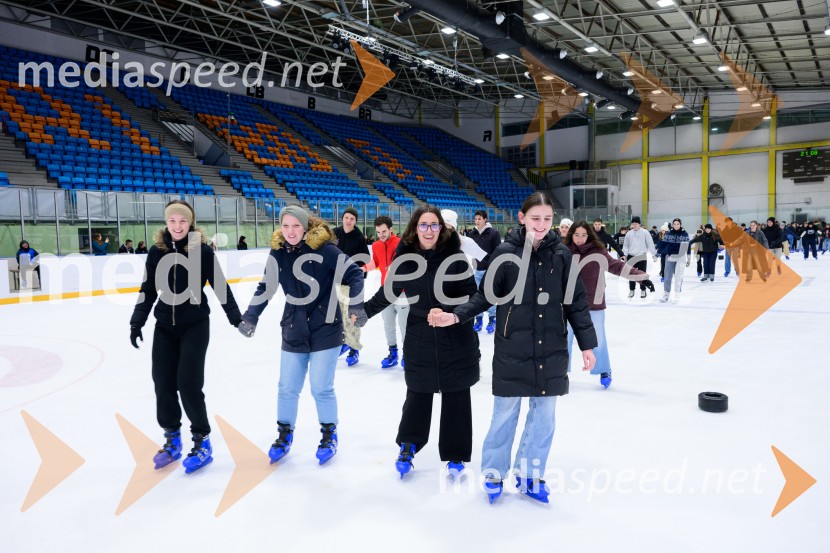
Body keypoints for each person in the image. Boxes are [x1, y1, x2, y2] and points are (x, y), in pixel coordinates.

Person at [429, 192, 597, 504]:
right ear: (522, 218)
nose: (542, 224)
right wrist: (455, 315)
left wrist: (587, 345)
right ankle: (493, 472)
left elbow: (576, 304)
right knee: (505, 413)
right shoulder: (505, 254)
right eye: (536, 218)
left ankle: (530, 474)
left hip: (552, 350)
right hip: (512, 348)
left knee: (544, 416)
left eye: (547, 219)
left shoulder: (562, 256)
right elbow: (484, 297)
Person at [238, 205, 366, 465]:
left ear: (306, 226)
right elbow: (267, 286)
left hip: (326, 328)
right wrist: (251, 315)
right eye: (285, 226)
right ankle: (284, 435)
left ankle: (329, 435)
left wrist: (356, 305)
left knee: (321, 387)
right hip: (293, 328)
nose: (290, 231)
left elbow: (354, 274)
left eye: (295, 225)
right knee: (287, 388)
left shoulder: (325, 249)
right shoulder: (278, 253)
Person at [361, 206, 480, 480]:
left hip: (455, 335)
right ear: (415, 228)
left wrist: (449, 312)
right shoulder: (405, 259)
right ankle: (409, 444)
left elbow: (472, 297)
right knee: (418, 392)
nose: (429, 230)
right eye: (423, 225)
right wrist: (364, 312)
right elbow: (388, 293)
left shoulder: (457, 258)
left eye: (434, 225)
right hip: (419, 333)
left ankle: (456, 453)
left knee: (457, 394)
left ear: (442, 228)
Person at [129, 200, 244, 474]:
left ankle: (202, 441)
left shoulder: (202, 251)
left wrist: (236, 318)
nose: (177, 226)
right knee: (163, 382)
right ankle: (172, 438)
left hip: (195, 324)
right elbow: (148, 289)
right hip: (164, 327)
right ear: (166, 223)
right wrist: (137, 322)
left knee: (188, 383)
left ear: (190, 224)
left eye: (182, 221)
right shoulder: (156, 252)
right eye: (172, 221)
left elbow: (220, 286)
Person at [563, 221, 654, 389]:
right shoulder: (564, 251)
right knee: (563, 338)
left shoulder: (598, 252)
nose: (580, 238)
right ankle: (561, 371)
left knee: (598, 338)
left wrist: (640, 276)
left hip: (594, 302)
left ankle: (604, 369)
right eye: (576, 235)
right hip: (568, 303)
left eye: (584, 235)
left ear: (589, 235)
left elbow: (616, 266)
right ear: (571, 235)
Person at [362, 215, 409, 369]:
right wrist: (363, 268)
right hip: (385, 292)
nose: (381, 235)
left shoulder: (401, 244)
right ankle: (393, 353)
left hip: (402, 292)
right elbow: (376, 262)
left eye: (383, 231)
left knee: (404, 326)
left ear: (391, 229)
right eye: (378, 232)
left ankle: (408, 355)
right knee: (388, 325)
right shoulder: (375, 245)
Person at [333, 207, 370, 366]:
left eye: (352, 219)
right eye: (346, 217)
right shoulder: (334, 234)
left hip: (352, 284)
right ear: (342, 218)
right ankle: (345, 343)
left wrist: (361, 272)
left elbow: (366, 260)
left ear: (355, 221)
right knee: (338, 317)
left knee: (352, 316)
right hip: (335, 282)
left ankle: (354, 348)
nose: (348, 221)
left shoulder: (359, 237)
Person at [467, 209, 502, 334]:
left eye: (479, 219)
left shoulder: (493, 233)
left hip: (489, 270)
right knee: (477, 297)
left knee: (490, 295)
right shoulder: (471, 234)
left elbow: (498, 251)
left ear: (485, 219)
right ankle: (479, 319)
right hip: (476, 270)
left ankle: (492, 319)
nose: (477, 221)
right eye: (475, 219)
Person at [656, 218, 690, 303]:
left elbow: (688, 246)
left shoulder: (684, 234)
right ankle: (666, 294)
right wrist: (658, 253)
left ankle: (677, 294)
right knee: (667, 275)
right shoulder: (669, 233)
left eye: (677, 224)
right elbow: (663, 243)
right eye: (674, 224)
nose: (676, 226)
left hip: (681, 257)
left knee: (678, 276)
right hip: (670, 256)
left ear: (680, 224)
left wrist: (688, 257)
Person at [622, 216, 656, 299]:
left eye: (636, 223)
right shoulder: (629, 233)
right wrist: (625, 255)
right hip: (631, 256)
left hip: (641, 256)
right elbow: (625, 246)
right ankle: (632, 290)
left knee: (642, 274)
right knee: (631, 275)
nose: (635, 225)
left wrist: (653, 254)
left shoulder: (645, 232)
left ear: (639, 224)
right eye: (633, 223)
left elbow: (650, 244)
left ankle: (643, 290)